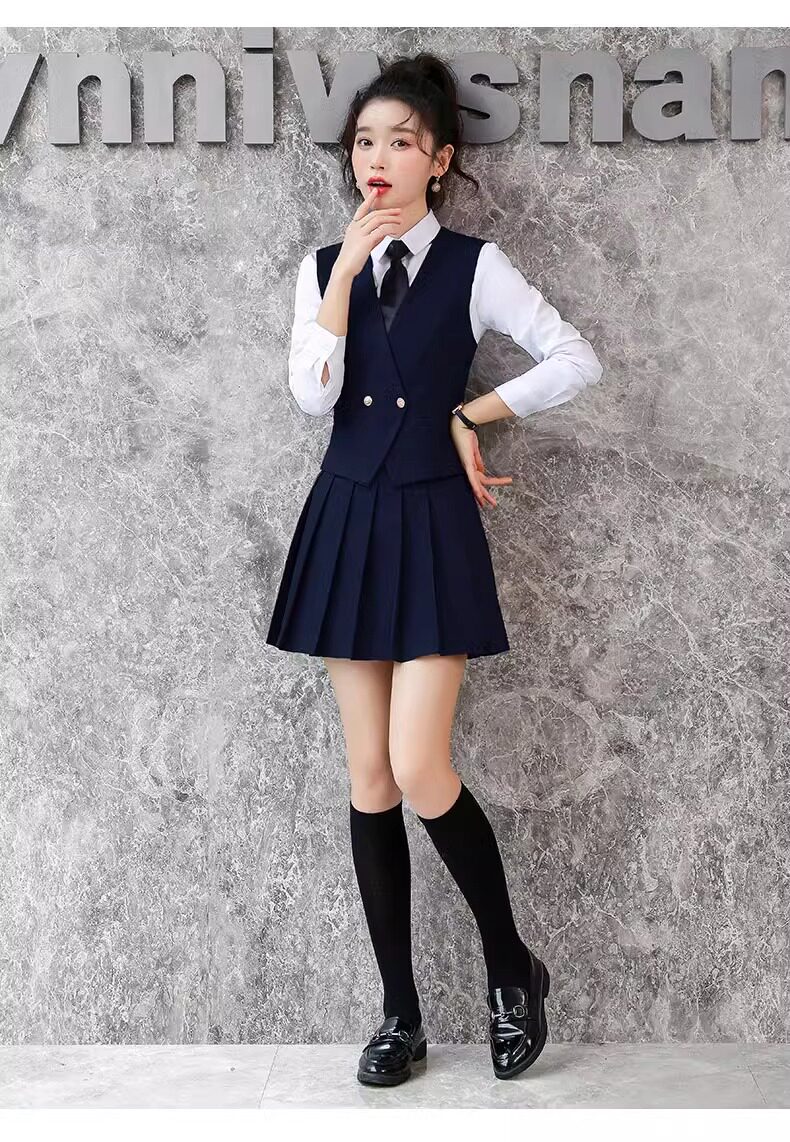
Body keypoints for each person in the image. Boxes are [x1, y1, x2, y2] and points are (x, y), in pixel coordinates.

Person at [265, 51, 603, 1086]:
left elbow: (574, 357)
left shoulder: (473, 264)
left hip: (432, 524)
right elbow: (313, 397)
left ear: (440, 159)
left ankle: (511, 967)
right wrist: (341, 282)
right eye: (364, 141)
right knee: (370, 777)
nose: (378, 157)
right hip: (346, 520)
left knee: (419, 766)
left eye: (402, 141)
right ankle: (399, 1014)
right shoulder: (318, 268)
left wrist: (474, 410)